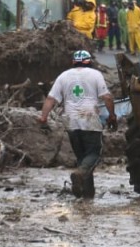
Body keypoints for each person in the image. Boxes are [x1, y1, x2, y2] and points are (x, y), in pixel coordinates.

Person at [39, 50, 117, 199]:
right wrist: (112, 116)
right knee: (94, 154)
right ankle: (80, 175)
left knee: (82, 158)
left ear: (73, 62)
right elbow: (107, 97)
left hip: (71, 120)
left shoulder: (64, 76)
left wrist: (43, 117)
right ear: (89, 61)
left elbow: (50, 99)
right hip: (90, 118)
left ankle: (86, 194)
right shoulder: (95, 75)